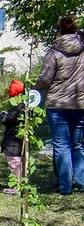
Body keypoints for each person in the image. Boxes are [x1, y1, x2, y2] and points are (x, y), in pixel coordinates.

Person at [32, 15, 84, 195]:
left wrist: (32, 88)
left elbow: (45, 80)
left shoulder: (54, 53)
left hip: (58, 105)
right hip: (80, 104)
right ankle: (82, 182)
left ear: (59, 32)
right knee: (77, 145)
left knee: (61, 146)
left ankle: (65, 187)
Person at [0, 79, 28, 195]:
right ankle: (22, 184)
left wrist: (3, 115)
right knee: (21, 163)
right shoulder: (26, 106)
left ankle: (17, 186)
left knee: (14, 164)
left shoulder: (17, 108)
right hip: (20, 141)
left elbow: (7, 120)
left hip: (13, 143)